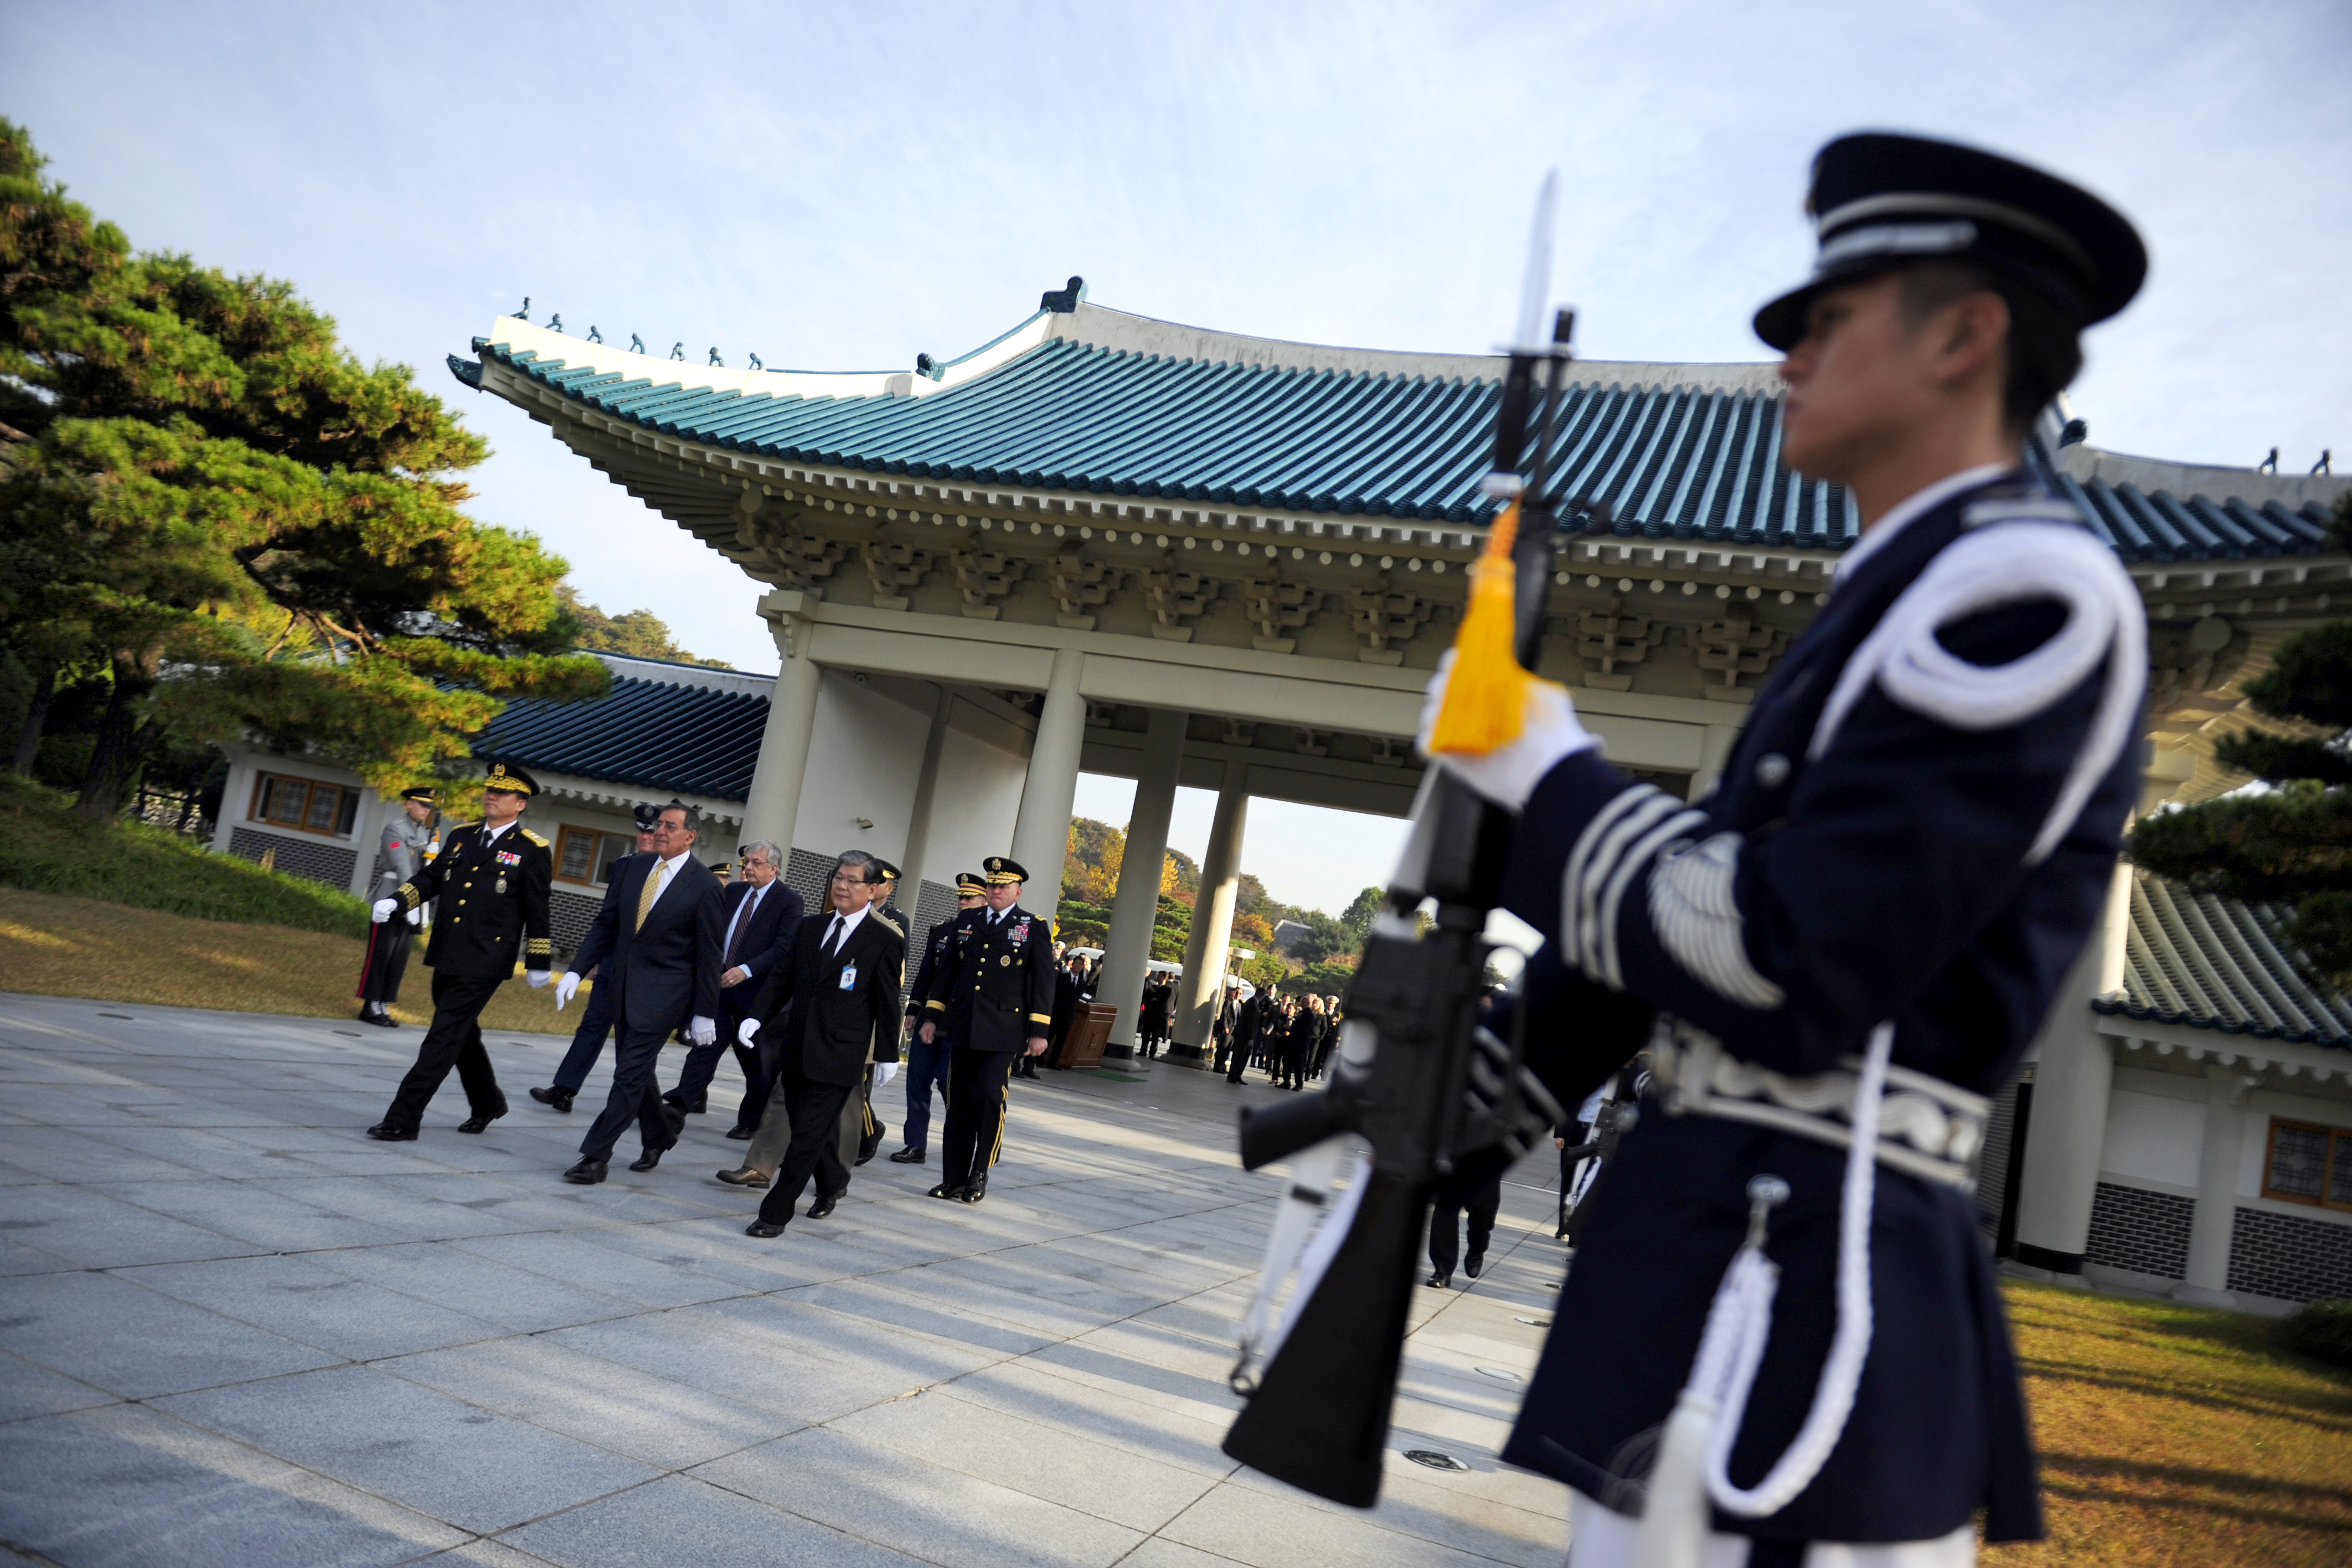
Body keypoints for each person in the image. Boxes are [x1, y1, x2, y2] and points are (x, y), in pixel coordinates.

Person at [1425, 133, 2148, 1562]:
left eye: (1824, 320)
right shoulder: (1890, 596)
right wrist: (1458, 1103)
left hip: (1814, 1290)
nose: (1786, 360)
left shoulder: (2027, 593)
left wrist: (1546, 776)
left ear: (1967, 330)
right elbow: (1706, 882)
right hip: (1720, 1258)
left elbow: (1783, 949)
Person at [718, 852, 905, 1235]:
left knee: (805, 1136)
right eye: (838, 878)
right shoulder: (810, 928)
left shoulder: (884, 938)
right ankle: (834, 1181)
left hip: (842, 1053)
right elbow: (782, 979)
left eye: (853, 881)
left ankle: (774, 1215)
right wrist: (756, 1016)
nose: (842, 886)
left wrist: (889, 1054)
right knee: (811, 1128)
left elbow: (887, 1002)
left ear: (872, 890)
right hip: (799, 1044)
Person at [364, 762, 553, 1139]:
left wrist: (538, 961)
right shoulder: (462, 836)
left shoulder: (532, 850)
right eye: (489, 790)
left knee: (442, 1036)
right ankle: (488, 1102)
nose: (491, 796)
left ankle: (403, 1119)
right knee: (461, 1034)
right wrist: (398, 902)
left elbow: (538, 909)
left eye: (501, 793)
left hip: (486, 959)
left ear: (520, 804)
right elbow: (430, 879)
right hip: (448, 951)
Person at [555, 801, 725, 1183]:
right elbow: (606, 924)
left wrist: (704, 1011)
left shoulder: (705, 886)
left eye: (669, 826)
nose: (658, 831)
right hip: (621, 990)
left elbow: (710, 955)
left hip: (665, 997)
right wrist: (576, 970)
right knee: (637, 1073)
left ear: (690, 836)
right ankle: (661, 1134)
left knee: (628, 1076)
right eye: (658, 825)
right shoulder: (631, 868)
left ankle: (595, 1157)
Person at [913, 855, 1055, 1203]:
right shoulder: (969, 921)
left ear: (1017, 892)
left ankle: (979, 1174)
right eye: (991, 885)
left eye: (1003, 886)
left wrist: (1039, 1031)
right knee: (958, 1103)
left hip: (1004, 1030)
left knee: (990, 1098)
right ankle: (954, 1178)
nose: (995, 890)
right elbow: (946, 974)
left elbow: (1043, 982)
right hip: (962, 1026)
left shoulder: (1031, 925)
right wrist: (931, 1018)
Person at [530, 803, 661, 1113]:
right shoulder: (625, 865)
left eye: (652, 830)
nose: (645, 835)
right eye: (642, 830)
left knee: (635, 1043)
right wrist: (596, 960)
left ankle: (645, 1107)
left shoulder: (675, 873)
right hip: (613, 964)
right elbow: (608, 919)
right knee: (591, 1026)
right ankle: (564, 1089)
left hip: (646, 973)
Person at [666, 839, 803, 1129]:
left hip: (757, 995)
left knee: (757, 1062)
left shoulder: (788, 901)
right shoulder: (735, 892)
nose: (748, 868)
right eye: (746, 863)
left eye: (756, 863)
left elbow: (783, 947)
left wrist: (746, 970)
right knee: (705, 1047)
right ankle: (678, 1107)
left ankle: (751, 1121)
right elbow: (715, 932)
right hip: (720, 987)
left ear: (774, 868)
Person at [889, 871, 984, 1164]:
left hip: (958, 1024)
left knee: (949, 1085)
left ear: (984, 900)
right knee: (917, 1082)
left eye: (969, 898)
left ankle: (960, 1144)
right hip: (930, 1019)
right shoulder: (943, 931)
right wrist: (914, 1009)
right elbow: (927, 974)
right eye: (960, 898)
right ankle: (915, 1144)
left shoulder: (986, 936)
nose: (963, 903)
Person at [355, 787, 436, 1027]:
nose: (425, 810)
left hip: (412, 899)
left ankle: (384, 1003)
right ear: (409, 804)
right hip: (390, 896)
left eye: (429, 806)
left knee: (399, 957)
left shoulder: (425, 833)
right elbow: (402, 868)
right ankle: (370, 1005)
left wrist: (433, 857)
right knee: (380, 954)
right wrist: (411, 899)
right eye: (421, 804)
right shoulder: (395, 829)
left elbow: (424, 870)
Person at [1426, 1163, 1503, 1291]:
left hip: (1488, 1154)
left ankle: (1476, 1249)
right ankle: (1443, 1268)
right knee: (1445, 1206)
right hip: (1457, 1152)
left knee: (1483, 1210)